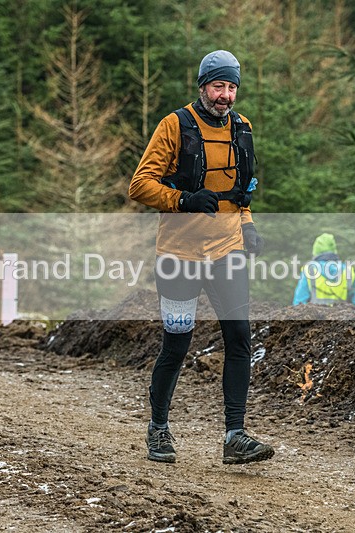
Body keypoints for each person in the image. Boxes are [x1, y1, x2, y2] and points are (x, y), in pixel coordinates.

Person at [129, 50, 274, 465]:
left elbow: (241, 188)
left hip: (226, 250)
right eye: (218, 86)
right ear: (203, 86)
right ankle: (158, 428)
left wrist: (247, 223)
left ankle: (235, 435)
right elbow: (140, 185)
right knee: (177, 344)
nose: (225, 95)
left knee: (240, 337)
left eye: (231, 87)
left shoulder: (241, 128)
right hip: (178, 254)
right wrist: (183, 199)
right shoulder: (174, 126)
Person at [293, 233, 355, 307]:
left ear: (315, 251)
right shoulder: (348, 271)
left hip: (314, 316)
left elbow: (299, 303)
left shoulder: (310, 270)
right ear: (334, 250)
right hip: (342, 316)